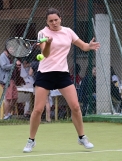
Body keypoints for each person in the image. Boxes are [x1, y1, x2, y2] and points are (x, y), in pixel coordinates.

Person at [23, 8, 100, 153]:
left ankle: (82, 137)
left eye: (56, 20)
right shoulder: (42, 33)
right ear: (47, 22)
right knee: (38, 109)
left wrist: (89, 46)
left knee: (76, 107)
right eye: (50, 21)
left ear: (60, 19)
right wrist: (49, 43)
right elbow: (45, 54)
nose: (53, 23)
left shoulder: (68, 32)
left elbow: (82, 46)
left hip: (62, 74)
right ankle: (31, 140)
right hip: (45, 74)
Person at [0, 48, 21, 120]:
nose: (13, 50)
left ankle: (9, 113)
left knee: (15, 97)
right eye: (11, 49)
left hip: (12, 80)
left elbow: (11, 67)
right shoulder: (2, 56)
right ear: (7, 48)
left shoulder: (9, 57)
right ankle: (6, 115)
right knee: (8, 98)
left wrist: (17, 66)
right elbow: (4, 66)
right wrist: (14, 64)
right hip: (6, 80)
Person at [29, 53, 52, 123]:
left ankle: (36, 119)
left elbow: (30, 73)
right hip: (47, 82)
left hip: (38, 83)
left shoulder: (33, 63)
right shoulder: (46, 62)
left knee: (37, 102)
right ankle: (48, 119)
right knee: (47, 101)